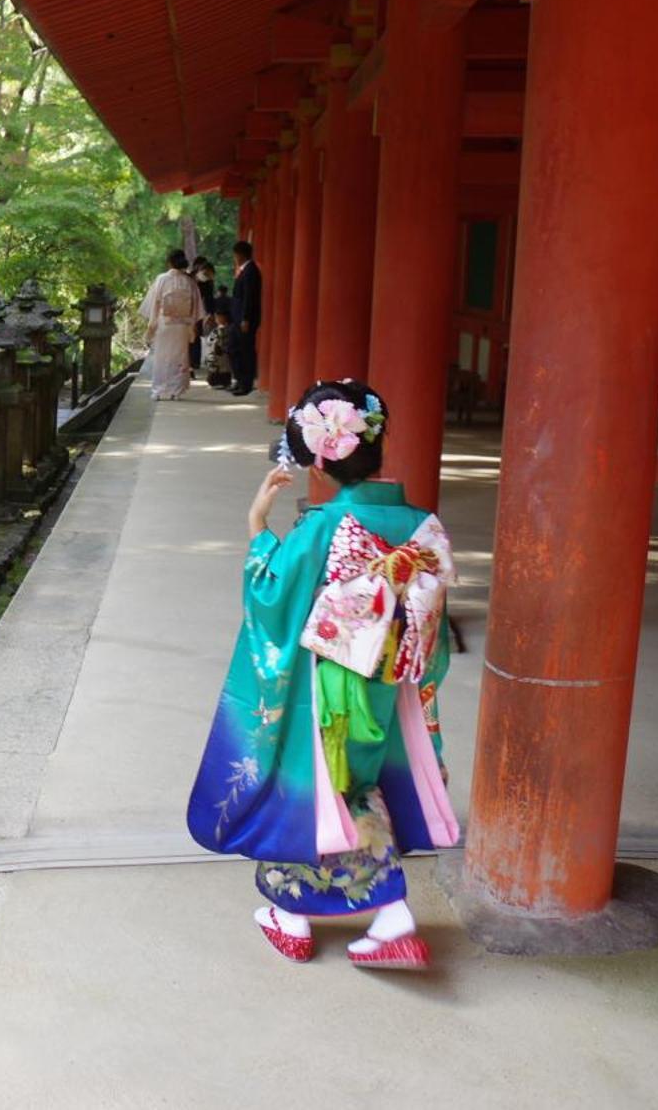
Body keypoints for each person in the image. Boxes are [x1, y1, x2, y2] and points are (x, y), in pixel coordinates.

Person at [185, 380, 458, 969]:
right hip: (387, 682)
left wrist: (259, 525)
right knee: (356, 784)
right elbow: (431, 622)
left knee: (308, 783)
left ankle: (293, 915)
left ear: (321, 459)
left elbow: (271, 596)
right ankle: (390, 915)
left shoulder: (321, 529)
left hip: (328, 683)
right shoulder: (421, 526)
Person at [140, 249, 205, 400]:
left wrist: (152, 324)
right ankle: (176, 390)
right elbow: (196, 308)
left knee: (161, 357)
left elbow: (155, 304)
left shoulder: (162, 279)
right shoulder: (189, 281)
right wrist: (192, 326)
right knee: (180, 357)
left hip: (165, 324)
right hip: (182, 325)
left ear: (169, 262)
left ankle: (158, 390)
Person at [227, 240, 262, 396]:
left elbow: (250, 297)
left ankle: (245, 383)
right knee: (233, 348)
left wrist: (246, 318)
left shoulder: (251, 271)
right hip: (237, 318)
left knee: (245, 351)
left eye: (235, 255)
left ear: (240, 255)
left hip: (244, 320)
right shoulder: (244, 270)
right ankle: (239, 379)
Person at [188, 258, 216, 373]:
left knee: (196, 334)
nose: (206, 276)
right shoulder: (188, 278)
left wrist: (210, 313)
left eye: (208, 275)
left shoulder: (208, 282)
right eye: (205, 273)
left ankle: (194, 362)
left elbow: (209, 298)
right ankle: (186, 361)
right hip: (184, 310)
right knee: (186, 337)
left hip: (198, 311)